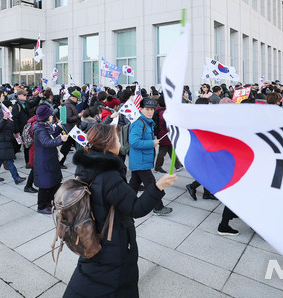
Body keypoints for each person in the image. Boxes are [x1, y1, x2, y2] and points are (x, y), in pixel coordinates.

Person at [64, 123, 177, 297]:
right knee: (118, 283)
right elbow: (136, 208)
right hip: (112, 241)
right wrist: (159, 186)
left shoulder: (86, 165)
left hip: (93, 232)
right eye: (117, 138)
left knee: (91, 276)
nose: (119, 141)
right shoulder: (108, 175)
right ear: (108, 143)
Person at [128, 98, 173, 215]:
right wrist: (151, 143)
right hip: (140, 161)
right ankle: (158, 207)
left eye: (152, 109)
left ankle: (124, 203)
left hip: (141, 160)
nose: (150, 112)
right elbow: (134, 142)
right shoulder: (139, 123)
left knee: (134, 184)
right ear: (141, 109)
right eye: (147, 109)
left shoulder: (147, 122)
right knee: (152, 185)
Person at [33, 105, 68, 214]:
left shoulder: (46, 126)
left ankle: (50, 202)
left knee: (53, 182)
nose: (52, 116)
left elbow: (51, 135)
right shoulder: (40, 129)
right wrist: (61, 140)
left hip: (50, 158)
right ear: (47, 117)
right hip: (44, 160)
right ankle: (41, 206)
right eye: (51, 115)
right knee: (44, 184)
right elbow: (46, 142)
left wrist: (57, 127)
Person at [0, 100, 26, 184]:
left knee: (0, 159)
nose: (12, 108)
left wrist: (15, 135)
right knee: (9, 160)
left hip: (7, 140)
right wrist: (4, 119)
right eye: (10, 106)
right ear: (7, 107)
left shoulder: (9, 115)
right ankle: (16, 177)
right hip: (2, 141)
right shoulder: (0, 115)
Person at [59, 90, 83, 168]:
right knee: (66, 147)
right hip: (69, 129)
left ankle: (82, 160)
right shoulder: (68, 105)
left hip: (73, 128)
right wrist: (78, 116)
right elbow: (67, 119)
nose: (78, 101)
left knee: (77, 145)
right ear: (73, 97)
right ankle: (59, 162)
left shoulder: (71, 104)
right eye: (77, 99)